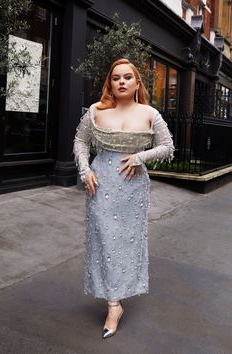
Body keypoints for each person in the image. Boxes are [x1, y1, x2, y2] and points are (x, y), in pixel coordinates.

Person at [73, 58, 174, 339]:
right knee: (104, 240)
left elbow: (167, 147)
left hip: (133, 188)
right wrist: (84, 170)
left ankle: (117, 297)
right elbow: (81, 142)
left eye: (127, 77)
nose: (121, 82)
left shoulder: (150, 113)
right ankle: (113, 304)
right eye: (116, 78)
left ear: (137, 82)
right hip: (100, 183)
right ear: (110, 83)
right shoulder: (95, 111)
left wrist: (141, 156)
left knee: (125, 243)